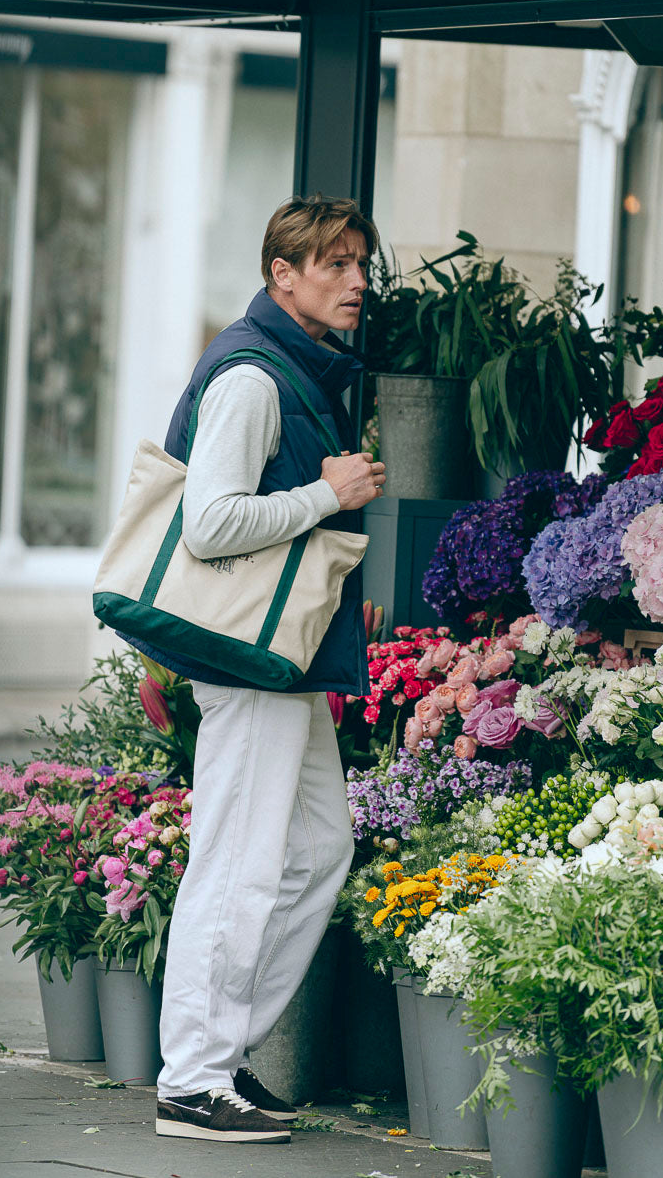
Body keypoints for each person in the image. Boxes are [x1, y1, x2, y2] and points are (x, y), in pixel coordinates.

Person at [137, 194, 385, 1143]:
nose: (357, 280)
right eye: (335, 264)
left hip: (282, 655)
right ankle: (193, 1081)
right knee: (237, 861)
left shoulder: (292, 364)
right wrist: (326, 493)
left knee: (318, 849)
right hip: (251, 658)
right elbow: (210, 523)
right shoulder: (253, 374)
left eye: (360, 262)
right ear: (284, 274)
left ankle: (219, 1056)